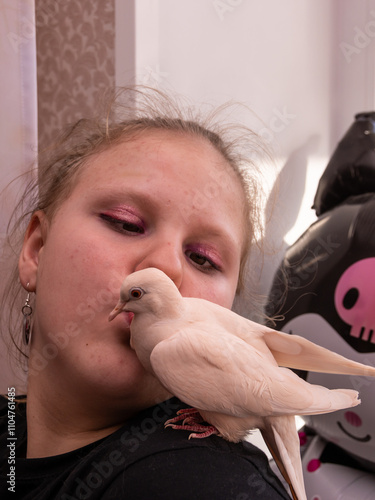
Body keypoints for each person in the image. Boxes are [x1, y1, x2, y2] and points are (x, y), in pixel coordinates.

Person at [0, 86, 290, 499]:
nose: (166, 270)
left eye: (203, 258)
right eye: (125, 223)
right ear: (36, 250)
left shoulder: (199, 484)